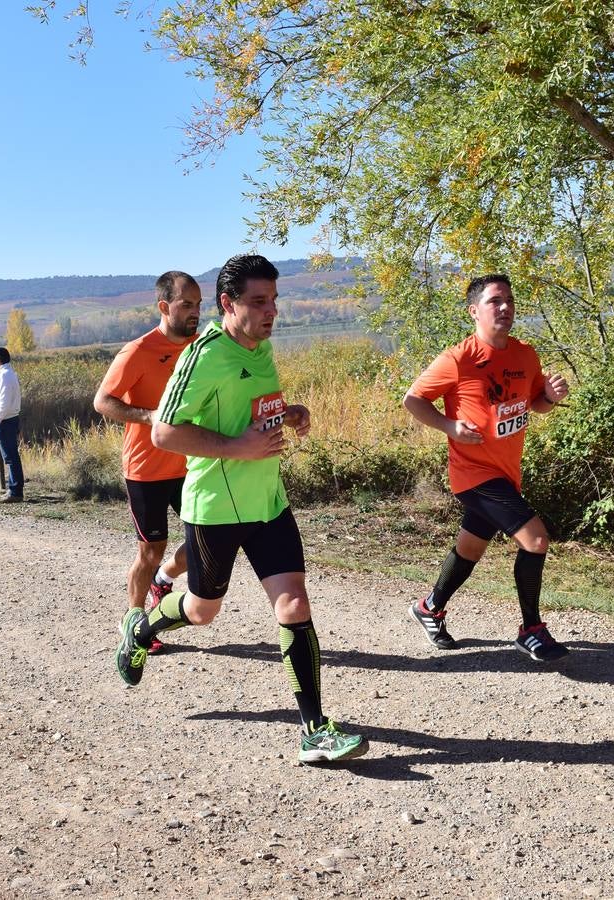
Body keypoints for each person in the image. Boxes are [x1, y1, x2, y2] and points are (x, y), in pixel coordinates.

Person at [115, 254, 368, 764]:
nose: (271, 311)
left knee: (294, 604)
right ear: (228, 304)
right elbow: (164, 432)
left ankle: (314, 730)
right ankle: (140, 628)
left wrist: (289, 412)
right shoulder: (202, 356)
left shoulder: (261, 345)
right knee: (203, 610)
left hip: (269, 501)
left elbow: (252, 409)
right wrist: (238, 448)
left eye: (274, 300)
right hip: (215, 509)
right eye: (259, 301)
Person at [402, 273, 571, 662]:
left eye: (509, 300)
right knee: (536, 540)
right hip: (473, 474)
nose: (506, 307)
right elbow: (414, 400)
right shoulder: (458, 358)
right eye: (495, 301)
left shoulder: (526, 354)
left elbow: (535, 405)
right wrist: (449, 427)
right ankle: (531, 630)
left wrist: (549, 395)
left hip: (507, 473)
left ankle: (429, 607)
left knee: (470, 548)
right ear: (474, 311)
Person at [94, 271, 200, 655]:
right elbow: (103, 401)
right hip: (146, 469)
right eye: (186, 304)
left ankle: (164, 579)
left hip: (192, 464)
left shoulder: (201, 347)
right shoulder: (138, 350)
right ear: (163, 306)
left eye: (199, 305)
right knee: (150, 550)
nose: (194, 312)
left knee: (209, 541)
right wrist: (150, 415)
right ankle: (135, 620)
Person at [0, 347, 23, 503]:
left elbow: (4, 401)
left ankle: (15, 491)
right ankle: (14, 489)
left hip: (5, 421)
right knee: (11, 456)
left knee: (10, 457)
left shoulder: (5, 375)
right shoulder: (5, 374)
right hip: (7, 420)